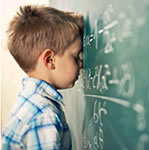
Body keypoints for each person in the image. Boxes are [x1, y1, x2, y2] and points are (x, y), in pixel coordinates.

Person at [1, 5, 84, 150]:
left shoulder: (31, 100)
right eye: (76, 57)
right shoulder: (44, 116)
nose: (81, 64)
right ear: (50, 60)